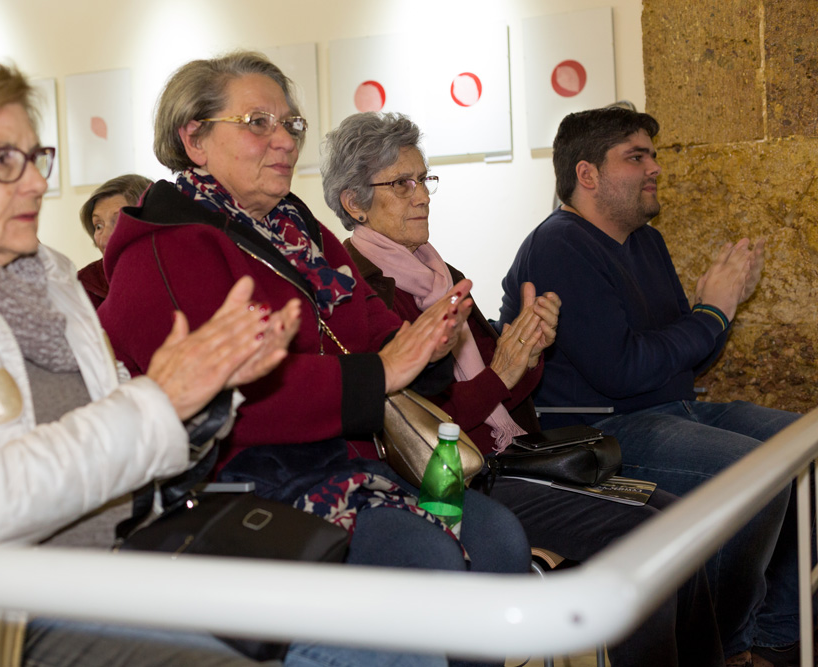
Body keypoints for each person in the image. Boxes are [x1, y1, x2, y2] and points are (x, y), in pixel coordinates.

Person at [0, 50, 303, 667]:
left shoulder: (44, 274)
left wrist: (210, 388)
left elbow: (123, 446)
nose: (37, 182)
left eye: (36, 156)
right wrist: (160, 399)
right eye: (4, 160)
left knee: (330, 624)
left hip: (113, 569)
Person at [99, 52, 530, 667]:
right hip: (246, 482)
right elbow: (230, 399)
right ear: (192, 139)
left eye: (292, 125)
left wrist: (430, 340)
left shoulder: (299, 230)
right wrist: (383, 370)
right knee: (425, 558)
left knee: (498, 537)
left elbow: (374, 331)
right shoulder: (164, 250)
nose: (284, 141)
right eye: (257, 122)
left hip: (354, 464)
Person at [322, 110, 724, 667]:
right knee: (646, 538)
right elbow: (417, 426)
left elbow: (507, 390)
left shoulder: (437, 271)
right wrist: (502, 374)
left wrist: (528, 352)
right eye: (402, 184)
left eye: (424, 180)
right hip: (453, 482)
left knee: (676, 520)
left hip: (505, 457)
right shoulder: (357, 289)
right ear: (354, 203)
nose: (422, 197)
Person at [499, 106, 801, 667]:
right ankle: (725, 649)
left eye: (653, 156)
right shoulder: (560, 244)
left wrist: (722, 311)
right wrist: (710, 313)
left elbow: (685, 360)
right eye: (636, 157)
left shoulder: (646, 242)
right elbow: (624, 370)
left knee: (801, 446)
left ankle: (777, 639)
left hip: (672, 408)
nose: (654, 168)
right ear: (586, 174)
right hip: (599, 431)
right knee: (754, 473)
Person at [78, 173, 152, 308]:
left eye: (118, 222)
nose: (104, 239)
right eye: (98, 226)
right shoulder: (84, 286)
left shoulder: (173, 276)